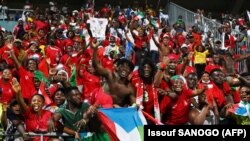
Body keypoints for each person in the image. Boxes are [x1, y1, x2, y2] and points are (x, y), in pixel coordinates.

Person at [92, 39, 136, 107]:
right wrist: (95, 50)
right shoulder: (110, 75)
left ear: (130, 72)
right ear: (117, 68)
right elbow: (96, 66)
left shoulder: (130, 89)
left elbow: (134, 107)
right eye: (122, 66)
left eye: (128, 68)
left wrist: (135, 106)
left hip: (115, 113)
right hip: (101, 108)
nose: (125, 69)